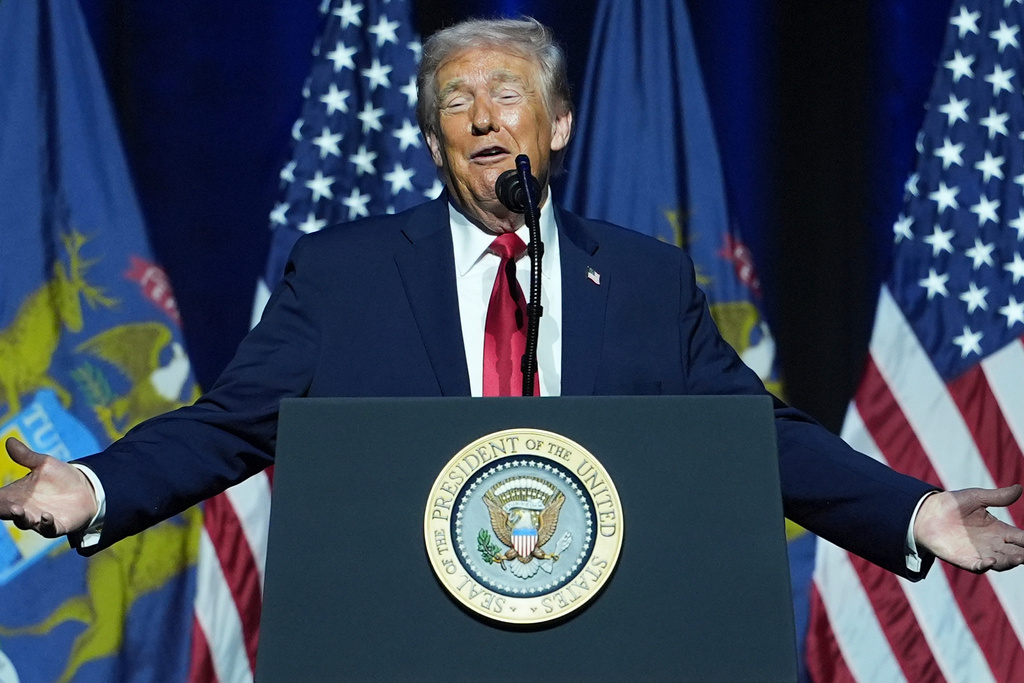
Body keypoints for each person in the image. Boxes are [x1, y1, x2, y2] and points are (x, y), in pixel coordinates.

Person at [2, 17, 1023, 580]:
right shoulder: (347, 270)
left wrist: (917, 511)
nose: (485, 118)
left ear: (560, 124)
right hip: (403, 633)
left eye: (509, 96)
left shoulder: (639, 278)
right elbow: (227, 425)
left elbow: (754, 435)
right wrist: (88, 487)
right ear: (433, 135)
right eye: (457, 100)